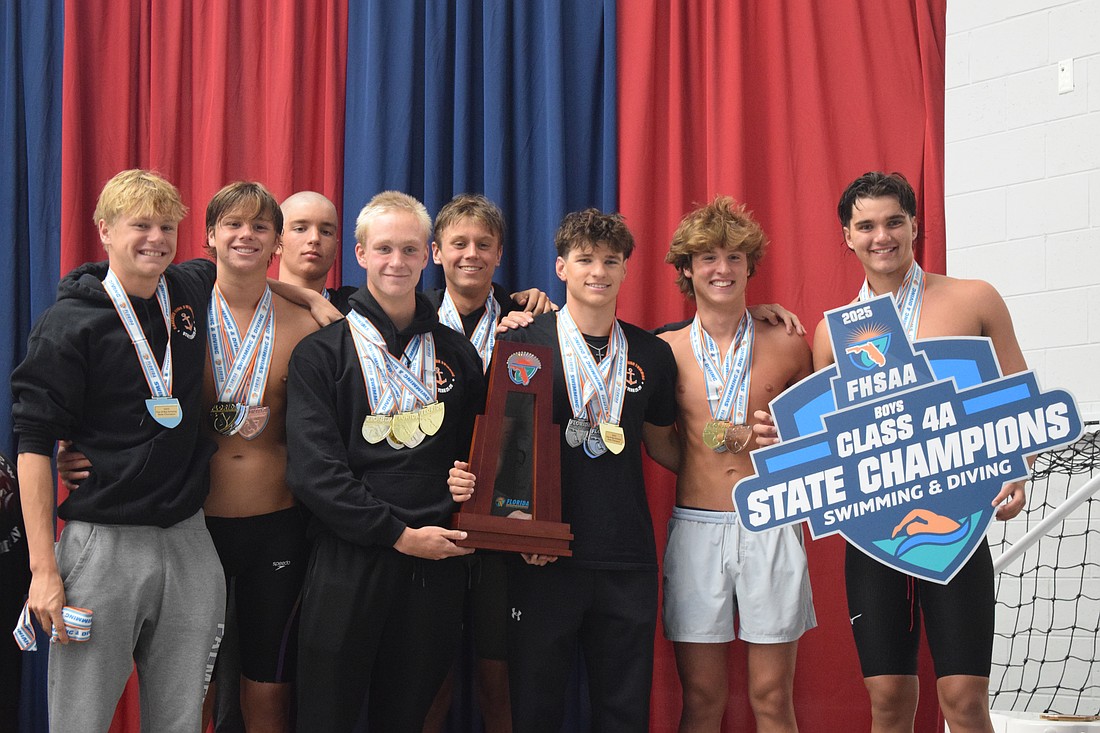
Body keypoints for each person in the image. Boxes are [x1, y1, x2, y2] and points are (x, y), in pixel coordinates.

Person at [809, 172, 1027, 733]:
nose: (881, 236)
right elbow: (833, 442)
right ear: (847, 236)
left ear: (914, 226)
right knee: (887, 703)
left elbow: (1017, 391)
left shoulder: (972, 298)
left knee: (965, 701)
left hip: (958, 522)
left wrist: (1016, 472)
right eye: (867, 225)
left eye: (893, 222)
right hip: (875, 535)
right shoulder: (833, 334)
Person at [449, 208, 680, 732]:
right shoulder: (522, 342)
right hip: (543, 559)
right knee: (536, 708)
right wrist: (519, 529)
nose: (597, 271)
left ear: (626, 270)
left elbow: (667, 446)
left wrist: (733, 462)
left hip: (626, 558)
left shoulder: (652, 353)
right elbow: (505, 450)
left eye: (610, 261)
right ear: (561, 268)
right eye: (585, 259)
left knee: (623, 711)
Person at [11, 169, 225, 732]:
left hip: (189, 540)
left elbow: (248, 271)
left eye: (165, 226)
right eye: (140, 225)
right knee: (80, 721)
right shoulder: (68, 324)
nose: (155, 238)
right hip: (103, 545)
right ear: (104, 230)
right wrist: (43, 571)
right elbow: (32, 446)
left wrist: (318, 303)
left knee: (180, 722)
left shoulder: (190, 288)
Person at [286, 190, 486, 731]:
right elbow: (314, 473)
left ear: (429, 256)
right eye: (383, 249)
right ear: (360, 254)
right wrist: (398, 534)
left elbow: (479, 455)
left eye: (410, 249)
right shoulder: (321, 352)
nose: (396, 262)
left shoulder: (457, 353)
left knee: (409, 717)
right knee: (327, 715)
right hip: (349, 557)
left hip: (436, 560)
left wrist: (466, 494)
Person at [657, 196, 816, 732]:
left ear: (751, 266)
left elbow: (820, 435)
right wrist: (706, 459)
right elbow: (659, 443)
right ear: (686, 269)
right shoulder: (667, 350)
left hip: (771, 521)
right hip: (698, 525)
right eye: (707, 258)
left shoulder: (789, 340)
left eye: (733, 257)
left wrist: (780, 446)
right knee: (702, 698)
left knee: (771, 697)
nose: (721, 269)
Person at [422, 193, 553, 733]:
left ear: (500, 253)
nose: (470, 254)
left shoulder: (531, 324)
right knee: (429, 675)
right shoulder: (409, 313)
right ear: (436, 252)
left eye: (483, 244)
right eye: (458, 243)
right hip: (430, 510)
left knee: (498, 681)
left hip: (504, 512)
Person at [199, 181, 323, 733]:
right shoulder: (177, 319)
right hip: (193, 528)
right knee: (191, 678)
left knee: (267, 684)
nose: (245, 235)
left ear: (276, 243)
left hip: (277, 526)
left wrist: (314, 298)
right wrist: (77, 453)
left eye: (260, 226)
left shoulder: (308, 324)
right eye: (233, 224)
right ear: (210, 235)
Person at [277, 190, 357, 314]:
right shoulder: (251, 306)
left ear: (336, 248)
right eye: (300, 229)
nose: (314, 238)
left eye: (326, 232)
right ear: (276, 242)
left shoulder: (356, 309)